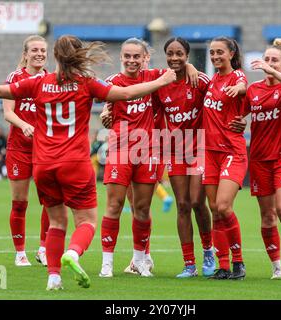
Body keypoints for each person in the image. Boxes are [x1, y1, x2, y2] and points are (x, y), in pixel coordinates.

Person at [0, 34, 176, 290]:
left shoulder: (39, 82)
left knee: (56, 222)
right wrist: (162, 80)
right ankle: (73, 253)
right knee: (87, 221)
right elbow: (126, 93)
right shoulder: (86, 83)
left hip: (43, 165)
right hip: (75, 163)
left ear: (55, 57)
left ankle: (54, 277)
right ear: (77, 56)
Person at [98, 38, 193, 278]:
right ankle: (106, 262)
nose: (131, 60)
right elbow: (105, 104)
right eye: (127, 56)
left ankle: (140, 260)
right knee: (114, 205)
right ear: (121, 58)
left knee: (142, 207)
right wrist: (106, 113)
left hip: (149, 150)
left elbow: (179, 70)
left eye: (136, 56)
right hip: (120, 148)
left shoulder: (156, 75)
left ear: (145, 58)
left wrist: (190, 66)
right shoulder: (113, 82)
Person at [241, 38, 281, 280]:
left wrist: (272, 73)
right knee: (267, 216)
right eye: (266, 59)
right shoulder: (253, 90)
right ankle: (276, 267)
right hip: (259, 160)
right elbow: (240, 113)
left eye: (274, 60)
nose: (269, 64)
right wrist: (239, 121)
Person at [151, 37, 216, 278]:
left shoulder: (199, 80)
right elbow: (156, 116)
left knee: (198, 202)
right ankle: (189, 263)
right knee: (182, 205)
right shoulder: (160, 83)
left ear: (187, 56)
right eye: (170, 53)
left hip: (201, 147)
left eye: (179, 54)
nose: (175, 58)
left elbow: (222, 93)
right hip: (176, 150)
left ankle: (208, 251)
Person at [2, 35, 50, 267]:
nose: (39, 53)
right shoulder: (15, 78)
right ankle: (20, 253)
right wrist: (24, 125)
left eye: (43, 50)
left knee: (50, 201)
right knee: (20, 202)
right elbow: (7, 112)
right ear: (26, 54)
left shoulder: (50, 79)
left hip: (45, 150)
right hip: (19, 148)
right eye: (35, 50)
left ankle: (43, 249)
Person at [202, 37, 247, 280]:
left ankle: (239, 262)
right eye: (212, 52)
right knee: (214, 210)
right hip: (209, 153)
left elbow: (244, 87)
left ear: (231, 54)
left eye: (220, 52)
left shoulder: (236, 76)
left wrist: (238, 90)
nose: (216, 56)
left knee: (223, 206)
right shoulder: (211, 81)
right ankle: (223, 265)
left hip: (232, 151)